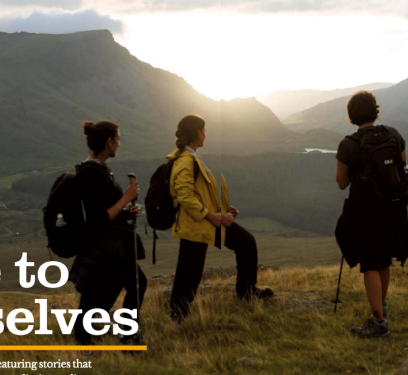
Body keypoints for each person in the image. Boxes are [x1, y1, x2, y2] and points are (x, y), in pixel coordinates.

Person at [334, 91, 408, 338]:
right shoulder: (394, 135)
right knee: (384, 259)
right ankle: (381, 307)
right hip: (394, 206)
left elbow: (341, 182)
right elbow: (403, 168)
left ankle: (378, 322)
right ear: (376, 111)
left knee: (370, 263)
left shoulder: (349, 144)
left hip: (366, 209)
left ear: (351, 116)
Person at [166, 114, 273, 321]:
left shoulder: (191, 157)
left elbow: (198, 193)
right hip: (198, 224)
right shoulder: (185, 161)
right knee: (190, 269)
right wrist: (212, 216)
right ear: (198, 133)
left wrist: (222, 210)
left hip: (206, 220)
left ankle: (246, 293)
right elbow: (185, 195)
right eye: (204, 130)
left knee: (243, 244)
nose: (206, 134)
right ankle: (178, 314)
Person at [69, 120, 148, 347]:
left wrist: (127, 212)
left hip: (108, 243)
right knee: (132, 284)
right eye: (118, 140)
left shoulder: (97, 169)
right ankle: (127, 338)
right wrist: (126, 197)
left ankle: (84, 338)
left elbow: (106, 210)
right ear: (108, 142)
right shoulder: (92, 173)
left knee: (98, 289)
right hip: (106, 245)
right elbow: (98, 217)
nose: (119, 145)